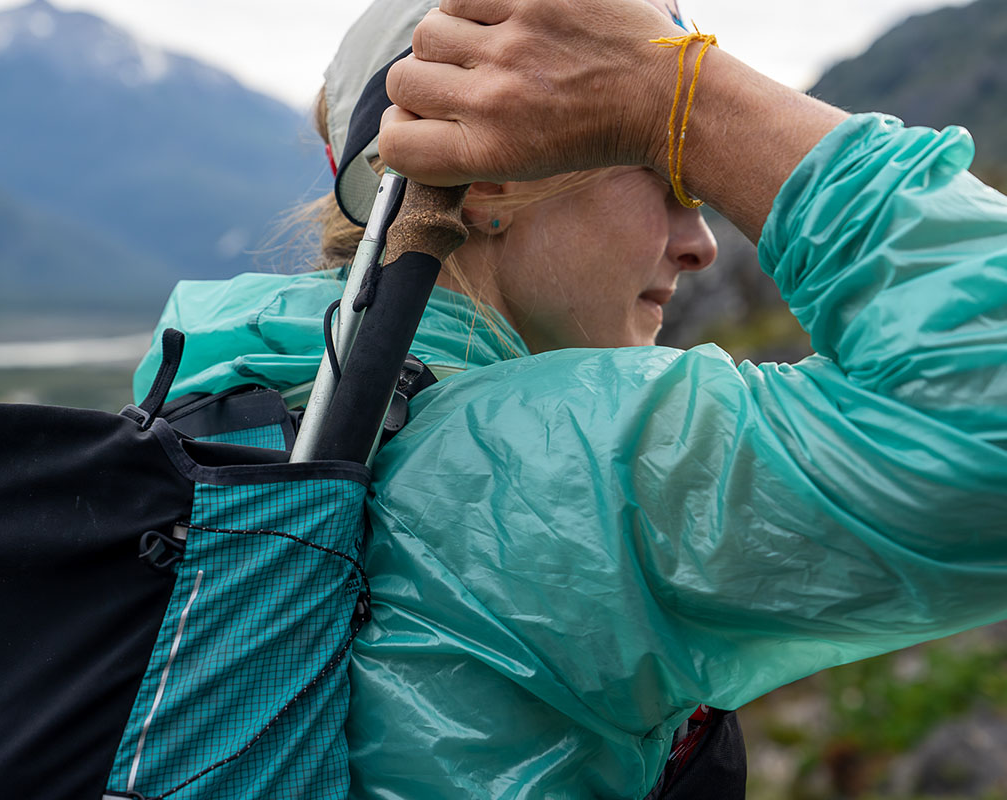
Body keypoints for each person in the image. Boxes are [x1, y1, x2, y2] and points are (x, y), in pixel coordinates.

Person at [133, 0, 1007, 796]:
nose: (701, 242)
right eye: (662, 175)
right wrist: (684, 100)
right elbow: (984, 407)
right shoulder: (544, 468)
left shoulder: (212, 417)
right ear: (489, 176)